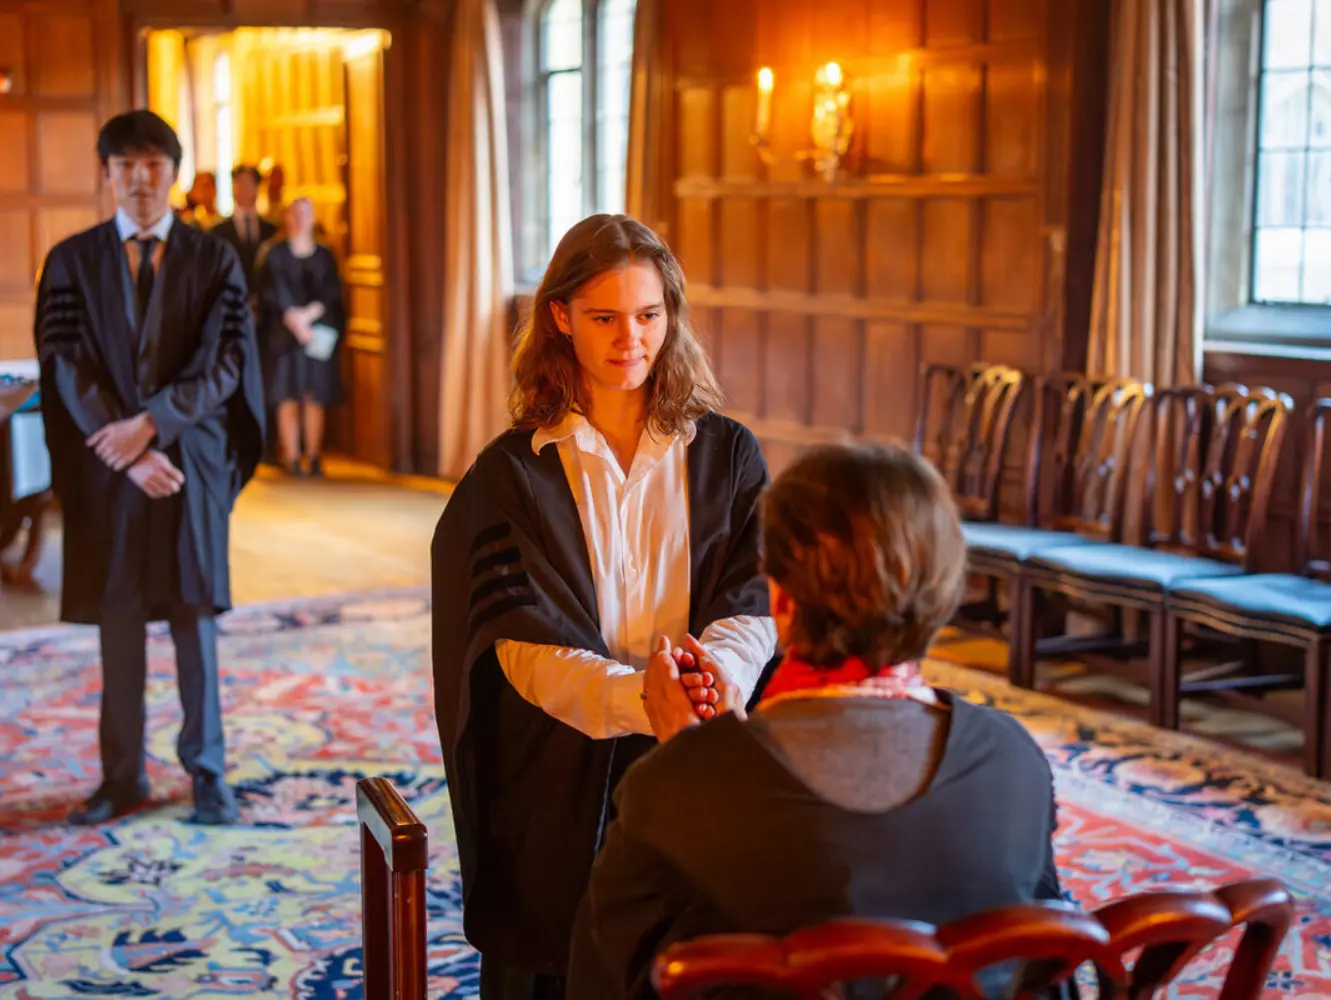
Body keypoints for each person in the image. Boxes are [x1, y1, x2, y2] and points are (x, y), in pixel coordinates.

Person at [567, 443, 1070, 1000]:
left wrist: (692, 752)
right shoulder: (1013, 760)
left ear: (780, 600)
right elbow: (1042, 965)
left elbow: (605, 977)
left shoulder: (680, 784)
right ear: (944, 593)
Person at [431, 214, 778, 1000]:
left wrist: (709, 679)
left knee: (692, 964)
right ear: (559, 316)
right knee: (562, 966)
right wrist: (640, 699)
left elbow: (753, 598)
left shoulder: (727, 455)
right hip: (557, 774)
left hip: (696, 757)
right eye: (605, 318)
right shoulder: (509, 478)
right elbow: (516, 646)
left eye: (649, 316)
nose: (632, 339)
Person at [33, 109, 265, 826]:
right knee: (120, 618)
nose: (139, 180)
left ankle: (208, 771)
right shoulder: (72, 260)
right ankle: (122, 776)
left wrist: (155, 426)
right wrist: (122, 444)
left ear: (172, 173)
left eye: (153, 166)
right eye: (125, 167)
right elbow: (64, 358)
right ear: (107, 174)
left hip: (188, 460)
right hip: (110, 469)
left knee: (195, 618)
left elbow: (226, 358)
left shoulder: (212, 258)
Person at [256, 196, 344, 476]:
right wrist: (293, 318)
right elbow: (269, 290)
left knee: (314, 394)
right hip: (283, 334)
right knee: (287, 395)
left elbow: (331, 293)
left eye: (305, 214)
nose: (300, 219)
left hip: (315, 331)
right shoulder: (273, 253)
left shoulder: (325, 254)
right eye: (295, 214)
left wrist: (307, 317)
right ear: (287, 218)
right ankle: (291, 455)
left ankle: (314, 454)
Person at [210, 165, 280, 297]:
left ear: (257, 187)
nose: (243, 188)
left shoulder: (272, 230)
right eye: (238, 182)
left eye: (248, 182)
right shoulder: (218, 231)